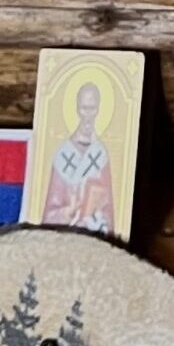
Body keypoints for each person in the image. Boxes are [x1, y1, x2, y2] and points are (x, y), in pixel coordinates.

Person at [40, 85, 117, 236]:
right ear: (77, 109)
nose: (87, 115)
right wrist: (68, 212)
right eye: (84, 108)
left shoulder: (100, 154)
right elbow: (49, 214)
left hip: (93, 236)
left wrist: (95, 219)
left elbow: (108, 210)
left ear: (98, 110)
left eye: (92, 108)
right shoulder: (62, 155)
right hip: (65, 238)